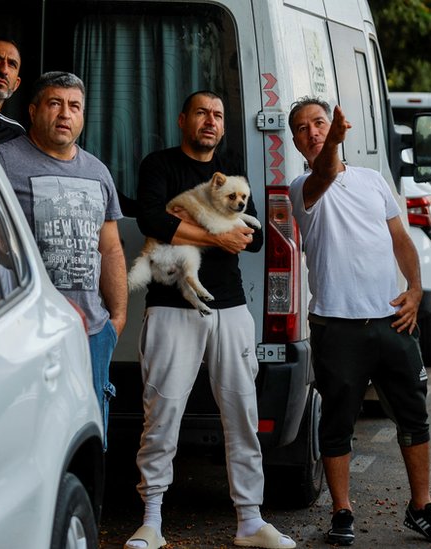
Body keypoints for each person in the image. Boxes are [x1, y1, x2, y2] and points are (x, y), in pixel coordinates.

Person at [126, 91, 294, 549]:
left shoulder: (233, 175)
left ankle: (250, 522)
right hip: (171, 307)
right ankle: (152, 521)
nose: (210, 121)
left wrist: (210, 233)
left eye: (218, 115)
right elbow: (151, 220)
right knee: (161, 413)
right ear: (183, 119)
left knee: (242, 413)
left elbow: (254, 238)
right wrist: (217, 237)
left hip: (232, 308)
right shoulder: (159, 165)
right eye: (202, 113)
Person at [287, 97, 431, 546]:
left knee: (414, 417)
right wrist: (336, 143)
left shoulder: (372, 180)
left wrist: (416, 291)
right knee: (337, 423)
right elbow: (324, 172)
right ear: (297, 141)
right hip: (336, 326)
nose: (313, 131)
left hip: (391, 322)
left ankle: (421, 507)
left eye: (320, 123)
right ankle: (342, 513)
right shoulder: (302, 187)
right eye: (303, 128)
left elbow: (401, 238)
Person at [0, 71, 127, 448]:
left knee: (86, 434)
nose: (65, 114)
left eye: (74, 106)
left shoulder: (97, 172)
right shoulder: (1, 162)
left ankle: (82, 507)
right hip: (25, 332)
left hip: (90, 333)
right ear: (34, 111)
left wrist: (116, 319)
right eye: (55, 104)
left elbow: (111, 248)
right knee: (27, 439)